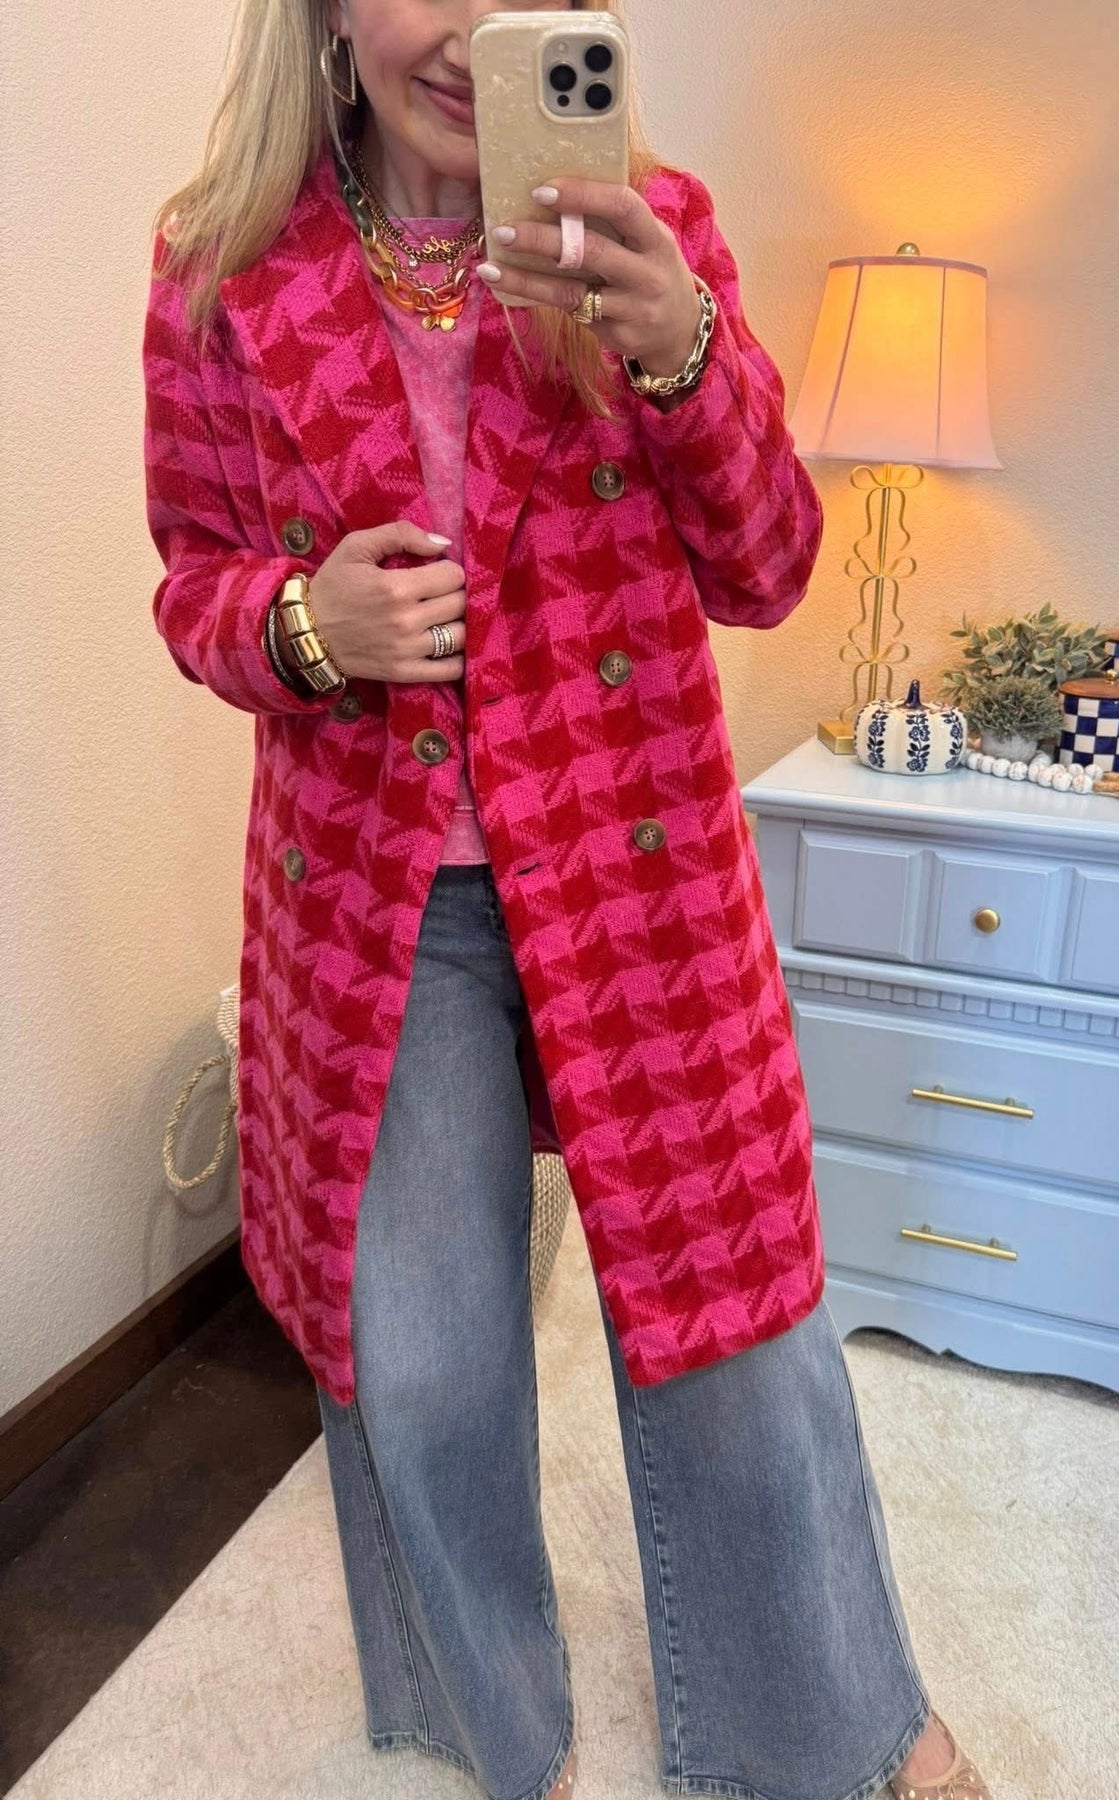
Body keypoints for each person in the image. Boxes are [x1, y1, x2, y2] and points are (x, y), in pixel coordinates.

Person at [142, 1, 993, 1797]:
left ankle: (842, 1730)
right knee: (424, 1351)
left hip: (635, 873)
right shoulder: (221, 268)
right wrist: (306, 623)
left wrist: (681, 354)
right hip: (376, 901)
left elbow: (768, 567)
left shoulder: (645, 227)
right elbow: (192, 582)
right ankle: (495, 1736)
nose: (462, 30)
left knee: (735, 1321)